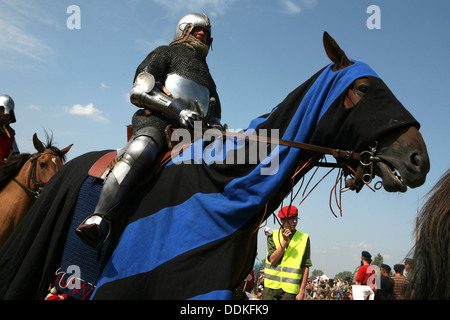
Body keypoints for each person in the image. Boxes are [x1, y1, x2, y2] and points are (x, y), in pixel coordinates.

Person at [75, 13, 222, 249]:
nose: (203, 34)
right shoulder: (165, 52)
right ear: (183, 30)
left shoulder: (208, 76)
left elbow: (214, 112)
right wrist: (177, 110)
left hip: (194, 134)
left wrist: (215, 130)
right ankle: (99, 218)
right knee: (142, 149)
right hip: (158, 121)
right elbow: (141, 89)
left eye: (206, 32)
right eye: (197, 29)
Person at [262, 205, 312, 300]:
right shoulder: (272, 235)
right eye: (291, 218)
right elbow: (273, 260)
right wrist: (285, 241)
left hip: (290, 291)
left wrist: (302, 291)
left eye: (296, 218)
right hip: (270, 289)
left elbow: (306, 265)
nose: (295, 221)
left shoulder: (304, 238)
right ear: (282, 220)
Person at [0, 95, 19, 166]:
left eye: (8, 111)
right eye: (2, 109)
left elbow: (16, 156)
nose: (5, 113)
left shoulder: (10, 134)